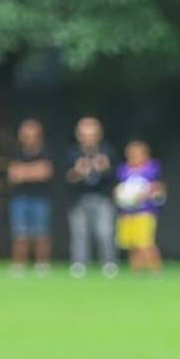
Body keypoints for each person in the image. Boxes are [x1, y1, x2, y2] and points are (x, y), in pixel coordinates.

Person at [65, 116, 118, 278]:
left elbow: (116, 175)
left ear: (98, 135)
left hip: (102, 197)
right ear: (79, 136)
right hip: (79, 198)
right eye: (85, 134)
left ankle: (109, 263)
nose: (88, 138)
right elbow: (67, 177)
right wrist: (78, 172)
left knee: (105, 232)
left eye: (92, 134)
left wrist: (105, 169)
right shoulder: (72, 152)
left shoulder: (108, 151)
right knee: (79, 233)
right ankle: (79, 263)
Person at [6, 118, 54, 276]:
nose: (27, 137)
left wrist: (24, 172)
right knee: (20, 233)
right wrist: (34, 171)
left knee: (41, 233)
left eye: (30, 134)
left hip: (40, 198)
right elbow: (13, 175)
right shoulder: (15, 152)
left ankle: (42, 265)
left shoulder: (46, 151)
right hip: (20, 199)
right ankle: (19, 265)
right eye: (24, 134)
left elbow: (45, 172)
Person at [114, 140, 166, 273]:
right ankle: (136, 271)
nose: (134, 158)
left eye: (137, 155)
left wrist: (145, 194)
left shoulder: (151, 169)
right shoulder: (123, 170)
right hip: (127, 213)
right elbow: (119, 189)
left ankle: (155, 269)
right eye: (131, 155)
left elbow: (158, 188)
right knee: (132, 244)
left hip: (144, 212)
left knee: (145, 243)